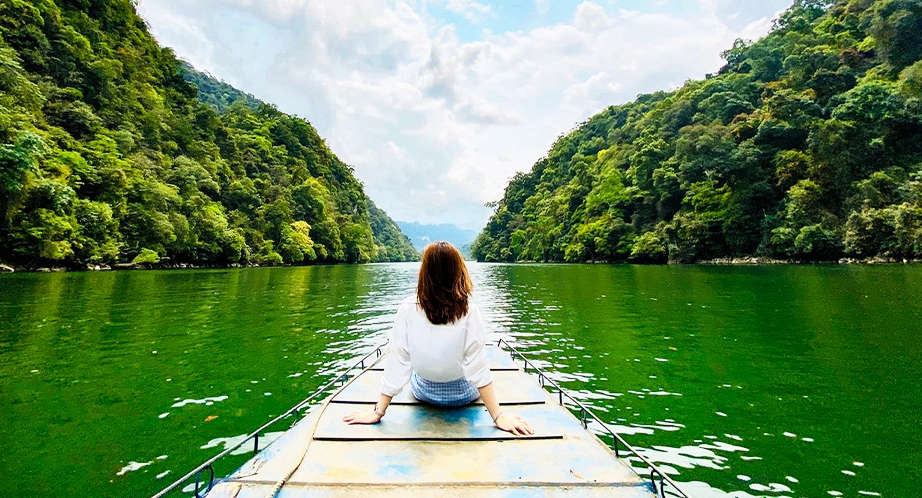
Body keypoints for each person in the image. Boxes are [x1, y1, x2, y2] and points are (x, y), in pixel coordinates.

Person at [342, 241, 533, 436]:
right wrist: (498, 416)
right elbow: (478, 368)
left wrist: (378, 411)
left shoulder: (407, 309)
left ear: (424, 274)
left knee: (413, 368)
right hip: (464, 395)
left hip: (424, 393)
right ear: (458, 271)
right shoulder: (469, 312)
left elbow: (398, 362)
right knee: (475, 358)